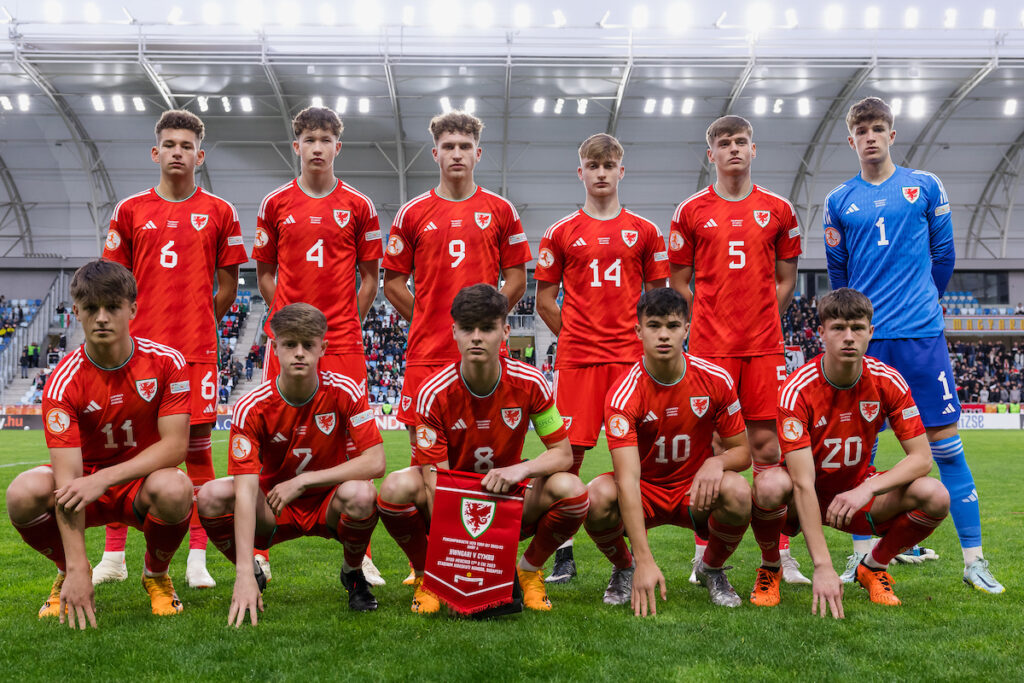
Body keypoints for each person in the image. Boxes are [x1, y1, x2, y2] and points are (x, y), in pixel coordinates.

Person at [824, 96, 1002, 593]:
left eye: (879, 128)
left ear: (892, 134)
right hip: (870, 345)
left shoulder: (924, 186)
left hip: (922, 339)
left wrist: (921, 301)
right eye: (863, 130)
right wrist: (864, 323)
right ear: (852, 139)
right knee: (858, 453)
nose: (871, 137)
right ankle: (862, 558)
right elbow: (841, 277)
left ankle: (975, 561)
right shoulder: (840, 199)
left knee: (946, 449)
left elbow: (942, 256)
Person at [102, 109, 249, 589]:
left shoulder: (220, 212)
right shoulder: (129, 211)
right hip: (136, 354)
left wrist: (201, 322)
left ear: (199, 155)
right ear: (155, 152)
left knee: (198, 452)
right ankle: (114, 557)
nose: (178, 153)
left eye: (187, 146)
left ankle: (197, 560)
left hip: (195, 352)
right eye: (170, 144)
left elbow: (228, 283)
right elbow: (112, 284)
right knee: (124, 448)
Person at [382, 110, 531, 581]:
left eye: (465, 147)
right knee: (424, 462)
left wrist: (486, 322)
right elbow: (391, 283)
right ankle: (425, 563)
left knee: (495, 453)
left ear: (477, 154)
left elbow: (518, 279)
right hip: (428, 354)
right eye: (448, 147)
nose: (457, 154)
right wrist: (438, 321)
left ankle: (491, 552)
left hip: (489, 357)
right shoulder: (412, 213)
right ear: (436, 154)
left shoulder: (501, 210)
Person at [376, 284, 588, 613]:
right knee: (395, 487)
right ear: (454, 332)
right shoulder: (433, 392)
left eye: (487, 328)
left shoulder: (530, 383)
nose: (477, 337)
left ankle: (528, 570)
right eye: (468, 328)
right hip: (450, 499)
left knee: (571, 488)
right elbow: (436, 482)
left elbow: (562, 453)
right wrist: (463, 559)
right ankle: (426, 575)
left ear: (504, 331)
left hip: (508, 496)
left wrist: (521, 469)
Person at [5, 260, 194, 628]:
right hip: (84, 484)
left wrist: (105, 479)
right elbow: (67, 482)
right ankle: (65, 573)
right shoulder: (63, 381)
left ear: (133, 309)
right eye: (91, 308)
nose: (102, 317)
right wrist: (78, 568)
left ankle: (156, 575)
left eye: (113, 307)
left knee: (176, 487)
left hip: (140, 485)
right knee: (22, 492)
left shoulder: (166, 363)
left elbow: (175, 449)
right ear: (76, 312)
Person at [668, 115, 806, 585]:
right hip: (709, 351)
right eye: (723, 143)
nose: (733, 149)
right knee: (711, 446)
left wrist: (761, 315)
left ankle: (779, 554)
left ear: (753, 149)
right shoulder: (689, 211)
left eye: (740, 141)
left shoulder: (779, 209)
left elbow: (785, 280)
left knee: (767, 446)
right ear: (711, 153)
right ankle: (705, 554)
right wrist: (711, 316)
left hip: (764, 347)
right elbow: (680, 282)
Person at [752, 288, 949, 614]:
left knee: (936, 495)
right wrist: (823, 566)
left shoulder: (888, 381)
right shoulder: (796, 390)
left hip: (858, 493)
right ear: (821, 333)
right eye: (838, 328)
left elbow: (922, 458)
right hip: (804, 499)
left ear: (870, 333)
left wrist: (866, 488)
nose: (848, 337)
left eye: (857, 328)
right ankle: (771, 567)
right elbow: (802, 484)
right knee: (769, 485)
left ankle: (873, 566)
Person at [534, 133, 669, 583]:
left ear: (621, 172)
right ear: (581, 173)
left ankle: (629, 559)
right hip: (579, 362)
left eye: (609, 166)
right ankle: (563, 553)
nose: (601, 173)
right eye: (593, 166)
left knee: (637, 456)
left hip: (631, 363)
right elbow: (545, 300)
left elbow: (658, 302)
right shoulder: (560, 232)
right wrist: (573, 336)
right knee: (566, 456)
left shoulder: (646, 232)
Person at [197, 304, 385, 624]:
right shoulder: (251, 407)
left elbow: (376, 462)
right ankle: (253, 574)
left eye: (308, 345)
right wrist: (242, 570)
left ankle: (353, 574)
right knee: (210, 496)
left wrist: (304, 480)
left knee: (362, 494)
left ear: (322, 348)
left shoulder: (345, 392)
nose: (299, 353)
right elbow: (244, 492)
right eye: (289, 344)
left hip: (328, 504)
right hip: (274, 508)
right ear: (275, 346)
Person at [584, 287, 752, 613]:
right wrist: (645, 560)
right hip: (645, 490)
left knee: (739, 490)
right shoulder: (623, 394)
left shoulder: (715, 380)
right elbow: (628, 480)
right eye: (654, 325)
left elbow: (743, 452)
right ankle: (625, 566)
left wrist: (716, 463)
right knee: (595, 497)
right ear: (638, 331)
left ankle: (711, 568)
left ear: (687, 329)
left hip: (694, 490)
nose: (664, 335)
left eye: (673, 326)